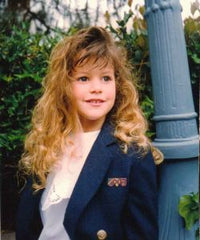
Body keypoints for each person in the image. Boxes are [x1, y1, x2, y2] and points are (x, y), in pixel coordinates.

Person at [16, 26, 163, 240]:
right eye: (84, 78)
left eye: (106, 78)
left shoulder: (133, 154)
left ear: (118, 85)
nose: (97, 88)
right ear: (64, 86)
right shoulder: (46, 145)